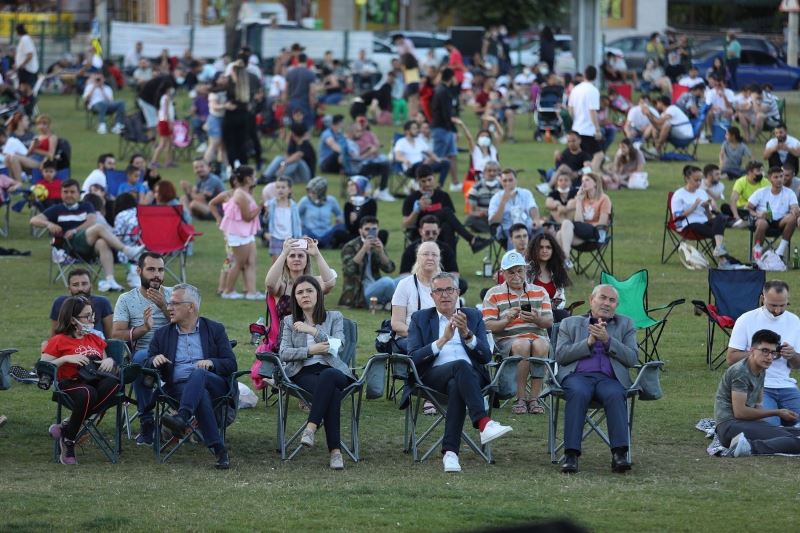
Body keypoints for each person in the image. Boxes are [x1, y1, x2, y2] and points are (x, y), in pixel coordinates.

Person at [406, 272, 513, 473]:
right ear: (432, 296)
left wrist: (467, 334)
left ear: (457, 293)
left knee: (457, 384)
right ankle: (483, 422)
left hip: (469, 381)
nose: (444, 295)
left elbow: (485, 357)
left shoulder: (472, 316)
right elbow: (414, 358)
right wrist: (443, 340)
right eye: (439, 290)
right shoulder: (420, 318)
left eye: (449, 290)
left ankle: (450, 454)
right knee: (460, 366)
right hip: (432, 377)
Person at [147, 283, 237, 469]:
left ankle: (182, 416)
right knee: (200, 394)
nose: (169, 307)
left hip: (214, 385)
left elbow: (230, 363)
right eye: (169, 303)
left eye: (174, 303)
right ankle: (219, 450)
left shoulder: (215, 329)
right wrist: (155, 359)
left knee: (199, 374)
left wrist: (212, 362)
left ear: (191, 307)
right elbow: (147, 361)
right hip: (177, 388)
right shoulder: (162, 334)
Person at [555, 284, 638, 474]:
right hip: (578, 377)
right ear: (592, 299)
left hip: (610, 379)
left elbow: (632, 358)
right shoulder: (570, 323)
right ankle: (571, 455)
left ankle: (619, 455)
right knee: (577, 392)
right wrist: (588, 342)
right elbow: (561, 355)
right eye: (602, 298)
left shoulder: (626, 324)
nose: (607, 303)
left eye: (612, 300)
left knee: (616, 394)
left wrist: (608, 340)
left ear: (616, 304)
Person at [279, 275, 353, 470]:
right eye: (300, 292)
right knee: (332, 393)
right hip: (304, 372)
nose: (305, 295)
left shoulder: (335, 317)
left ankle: (311, 427)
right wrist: (310, 351)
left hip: (334, 370)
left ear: (318, 294)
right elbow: (284, 353)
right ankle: (335, 452)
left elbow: (338, 345)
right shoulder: (289, 322)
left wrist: (312, 331)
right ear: (295, 298)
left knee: (329, 377)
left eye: (309, 291)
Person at [41, 296, 120, 465]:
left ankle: (67, 428)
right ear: (72, 319)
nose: (92, 320)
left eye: (92, 315)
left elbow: (105, 365)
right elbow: (42, 366)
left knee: (114, 382)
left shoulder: (95, 339)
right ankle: (69, 440)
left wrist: (110, 361)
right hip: (70, 384)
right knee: (87, 392)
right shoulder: (58, 340)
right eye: (87, 316)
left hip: (94, 380)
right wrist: (66, 358)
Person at [30, 179, 144, 292]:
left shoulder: (86, 206)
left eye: (72, 192)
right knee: (99, 228)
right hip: (69, 245)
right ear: (61, 193)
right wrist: (48, 224)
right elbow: (34, 220)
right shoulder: (56, 209)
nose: (69, 195)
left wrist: (75, 230)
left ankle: (110, 280)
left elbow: (91, 220)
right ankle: (127, 250)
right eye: (65, 192)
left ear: (79, 194)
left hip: (88, 244)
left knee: (102, 242)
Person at [110, 252, 172, 444]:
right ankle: (147, 422)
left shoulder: (174, 295)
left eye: (160, 270)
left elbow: (190, 327)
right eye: (151, 269)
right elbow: (117, 334)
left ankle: (180, 418)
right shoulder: (126, 299)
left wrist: (163, 306)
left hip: (174, 350)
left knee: (142, 365)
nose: (156, 275)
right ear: (139, 271)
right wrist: (143, 329)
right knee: (138, 362)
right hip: (143, 352)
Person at [483, 251, 553, 415]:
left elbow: (549, 322)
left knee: (541, 343)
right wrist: (506, 320)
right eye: (511, 272)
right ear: (503, 273)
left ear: (526, 270)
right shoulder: (493, 293)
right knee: (522, 344)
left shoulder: (540, 292)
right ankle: (520, 398)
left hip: (537, 336)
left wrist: (536, 319)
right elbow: (488, 325)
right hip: (508, 341)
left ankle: (534, 398)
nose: (516, 276)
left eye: (519, 271)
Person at [726, 281, 800, 427]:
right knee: (769, 427)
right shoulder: (746, 320)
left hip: (786, 386)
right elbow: (731, 358)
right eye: (773, 305)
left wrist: (791, 355)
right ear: (762, 298)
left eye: (782, 305)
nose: (778, 310)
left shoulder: (794, 321)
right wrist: (759, 354)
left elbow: (798, 364)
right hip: (757, 386)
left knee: (792, 423)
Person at [716, 329, 800, 457]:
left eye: (773, 353)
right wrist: (777, 412)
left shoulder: (761, 368)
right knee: (795, 441)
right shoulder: (741, 372)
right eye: (765, 351)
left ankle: (750, 444)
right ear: (752, 350)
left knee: (793, 432)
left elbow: (758, 404)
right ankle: (748, 447)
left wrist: (767, 427)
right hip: (730, 427)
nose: (769, 357)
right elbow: (740, 412)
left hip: (745, 424)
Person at [402, 164, 490, 254]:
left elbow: (453, 221)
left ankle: (451, 265)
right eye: (423, 181)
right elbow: (406, 224)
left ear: (434, 177)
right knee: (446, 211)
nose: (427, 184)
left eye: (429, 180)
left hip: (440, 231)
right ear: (418, 181)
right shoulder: (412, 198)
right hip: (421, 233)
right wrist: (417, 210)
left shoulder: (443, 196)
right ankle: (472, 239)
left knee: (448, 227)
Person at [219, 166, 263, 300]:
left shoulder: (245, 192)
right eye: (253, 176)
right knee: (239, 263)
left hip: (246, 233)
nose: (255, 178)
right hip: (238, 234)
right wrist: (261, 206)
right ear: (248, 179)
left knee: (251, 261)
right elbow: (247, 217)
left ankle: (251, 292)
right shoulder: (240, 194)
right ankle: (228, 291)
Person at [265, 237, 337, 319]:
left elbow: (330, 283)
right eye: (292, 256)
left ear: (307, 260)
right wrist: (283, 254)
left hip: (312, 331)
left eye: (300, 256)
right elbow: (270, 285)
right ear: (286, 261)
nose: (296, 259)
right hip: (285, 331)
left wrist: (317, 254)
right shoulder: (282, 285)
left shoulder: (315, 282)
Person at [671, 165, 732, 259]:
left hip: (703, 222)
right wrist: (694, 206)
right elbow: (677, 219)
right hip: (688, 224)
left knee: (720, 218)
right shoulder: (679, 195)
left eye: (700, 180)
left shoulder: (702, 193)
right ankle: (722, 258)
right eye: (696, 180)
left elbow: (709, 218)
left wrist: (707, 208)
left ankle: (719, 249)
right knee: (716, 231)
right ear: (687, 178)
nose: (699, 183)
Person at [391, 241, 440, 354]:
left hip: (441, 338)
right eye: (425, 254)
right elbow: (396, 324)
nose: (430, 258)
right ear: (418, 257)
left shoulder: (447, 286)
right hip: (409, 337)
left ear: (439, 259)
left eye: (434, 255)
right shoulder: (405, 285)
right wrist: (421, 335)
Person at [556, 173, 611, 269]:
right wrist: (578, 200)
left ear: (595, 183)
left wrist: (588, 226)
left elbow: (602, 223)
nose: (583, 183)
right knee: (560, 234)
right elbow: (579, 221)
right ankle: (565, 259)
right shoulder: (582, 199)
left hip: (595, 235)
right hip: (581, 236)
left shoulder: (604, 199)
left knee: (565, 226)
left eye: (587, 180)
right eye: (582, 181)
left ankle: (563, 263)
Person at [339, 216, 396, 309]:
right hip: (359, 293)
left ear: (378, 230)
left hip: (375, 285)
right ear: (360, 231)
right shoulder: (350, 247)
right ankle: (394, 305)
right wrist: (364, 249)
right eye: (367, 229)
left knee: (403, 279)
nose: (370, 232)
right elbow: (348, 271)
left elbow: (390, 269)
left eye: (374, 229)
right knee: (387, 282)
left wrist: (381, 252)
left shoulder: (377, 244)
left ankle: (385, 303)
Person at [746, 166, 799, 261]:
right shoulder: (761, 192)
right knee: (762, 223)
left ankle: (780, 252)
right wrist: (757, 214)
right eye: (776, 177)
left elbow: (794, 206)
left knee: (792, 218)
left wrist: (794, 210)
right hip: (763, 219)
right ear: (770, 178)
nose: (779, 180)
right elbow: (748, 208)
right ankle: (757, 252)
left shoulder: (789, 193)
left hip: (780, 222)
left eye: (781, 176)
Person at [49, 269, 114, 338]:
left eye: (84, 284)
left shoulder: (102, 302)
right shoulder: (60, 302)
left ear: (91, 286)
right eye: (75, 285)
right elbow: (55, 333)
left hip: (96, 344)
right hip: (67, 345)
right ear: (69, 288)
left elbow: (109, 336)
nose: (80, 288)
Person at [527, 232, 573, 323]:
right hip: (531, 312)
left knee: (565, 316)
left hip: (551, 311)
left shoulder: (557, 271)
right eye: (541, 247)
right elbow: (521, 297)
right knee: (552, 318)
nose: (545, 250)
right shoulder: (526, 270)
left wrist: (553, 306)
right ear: (534, 249)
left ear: (553, 250)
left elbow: (562, 298)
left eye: (548, 247)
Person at [488, 168, 541, 246]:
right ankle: (515, 257)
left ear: (516, 180)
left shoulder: (525, 193)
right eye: (505, 181)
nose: (508, 183)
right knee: (515, 234)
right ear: (501, 182)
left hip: (527, 225)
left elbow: (532, 207)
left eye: (510, 180)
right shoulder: (496, 198)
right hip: (508, 228)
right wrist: (502, 203)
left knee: (542, 230)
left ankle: (539, 256)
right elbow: (493, 221)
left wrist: (536, 219)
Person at [430, 68, 462, 191]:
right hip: (441, 129)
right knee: (437, 159)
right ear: (451, 77)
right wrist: (454, 129)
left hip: (446, 129)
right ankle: (421, 181)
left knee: (452, 155)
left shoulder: (443, 90)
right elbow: (446, 113)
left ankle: (455, 183)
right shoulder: (443, 92)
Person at [393, 120, 450, 186]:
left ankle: (439, 186)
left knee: (445, 163)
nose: (417, 130)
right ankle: (417, 185)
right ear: (407, 131)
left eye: (417, 128)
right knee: (420, 164)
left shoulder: (419, 141)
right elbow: (398, 156)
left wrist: (438, 160)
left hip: (423, 166)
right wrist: (405, 160)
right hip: (410, 168)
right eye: (414, 128)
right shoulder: (401, 142)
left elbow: (430, 153)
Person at [4, 114, 58, 184]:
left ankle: (19, 183)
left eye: (44, 124)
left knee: (14, 158)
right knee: (8, 157)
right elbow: (29, 153)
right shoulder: (37, 137)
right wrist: (32, 148)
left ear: (48, 125)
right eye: (39, 124)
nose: (41, 126)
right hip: (31, 157)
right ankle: (10, 182)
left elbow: (51, 154)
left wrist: (35, 150)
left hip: (41, 161)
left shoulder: (52, 137)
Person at [567, 65, 603, 169]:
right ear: (596, 77)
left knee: (583, 156)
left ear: (584, 75)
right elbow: (592, 111)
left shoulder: (575, 89)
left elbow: (570, 108)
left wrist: (574, 122)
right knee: (599, 155)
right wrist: (597, 129)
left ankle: (583, 177)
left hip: (576, 128)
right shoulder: (593, 91)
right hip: (588, 130)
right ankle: (591, 177)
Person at [298, 177, 349, 249]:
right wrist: (300, 223)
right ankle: (323, 244)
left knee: (341, 227)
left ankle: (323, 243)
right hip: (311, 233)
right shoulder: (305, 201)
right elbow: (296, 215)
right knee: (300, 230)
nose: (310, 194)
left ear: (321, 192)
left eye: (313, 192)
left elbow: (339, 214)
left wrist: (339, 219)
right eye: (309, 192)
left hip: (327, 233)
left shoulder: (331, 200)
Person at [263, 176, 302, 259]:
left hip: (290, 238)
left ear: (290, 190)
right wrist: (266, 232)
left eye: (283, 187)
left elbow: (297, 223)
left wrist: (298, 237)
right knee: (276, 263)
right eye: (278, 187)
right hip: (275, 237)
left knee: (289, 262)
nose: (280, 190)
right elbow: (265, 220)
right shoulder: (271, 204)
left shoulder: (293, 206)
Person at [724, 160, 767, 226]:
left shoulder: (765, 182)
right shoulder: (741, 182)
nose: (761, 173)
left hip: (757, 209)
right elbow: (733, 200)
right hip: (743, 210)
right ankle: (741, 221)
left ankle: (742, 222)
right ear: (750, 172)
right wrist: (736, 216)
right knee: (725, 207)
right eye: (758, 171)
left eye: (761, 171)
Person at [465, 161, 502, 234]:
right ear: (484, 172)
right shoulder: (476, 188)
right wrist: (478, 213)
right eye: (489, 170)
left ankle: (488, 229)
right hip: (483, 217)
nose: (492, 173)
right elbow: (471, 211)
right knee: (469, 220)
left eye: (494, 171)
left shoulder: (502, 187)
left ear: (498, 172)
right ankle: (493, 229)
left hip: (497, 216)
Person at [284, 53, 317, 131]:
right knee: (305, 128)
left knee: (292, 128)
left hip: (292, 103)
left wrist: (286, 103)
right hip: (304, 104)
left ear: (297, 60)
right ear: (306, 61)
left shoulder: (290, 73)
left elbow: (286, 90)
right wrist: (312, 106)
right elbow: (312, 93)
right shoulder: (310, 74)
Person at [14, 24, 39, 88]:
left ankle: (31, 98)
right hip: (24, 68)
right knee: (23, 88)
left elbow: (29, 55)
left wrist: (22, 64)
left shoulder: (25, 39)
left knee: (26, 89)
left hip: (27, 69)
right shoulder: (24, 39)